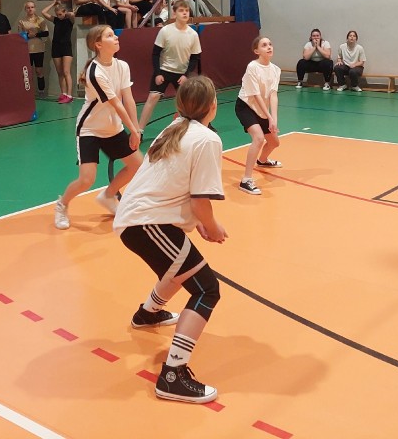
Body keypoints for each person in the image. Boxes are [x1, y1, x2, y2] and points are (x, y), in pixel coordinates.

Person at [112, 75, 225, 404]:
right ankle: (173, 375)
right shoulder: (207, 139)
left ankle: (148, 314)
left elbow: (176, 184)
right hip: (148, 223)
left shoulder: (174, 127)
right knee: (206, 289)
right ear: (213, 106)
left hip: (138, 219)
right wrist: (212, 226)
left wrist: (198, 222)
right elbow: (200, 201)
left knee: (180, 268)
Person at [54, 24, 143, 229]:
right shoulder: (94, 72)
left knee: (137, 165)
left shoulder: (122, 66)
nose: (116, 37)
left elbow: (128, 99)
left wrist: (136, 129)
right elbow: (116, 104)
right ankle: (62, 204)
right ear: (98, 44)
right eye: (110, 36)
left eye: (114, 34)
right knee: (87, 179)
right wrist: (132, 130)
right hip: (90, 130)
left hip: (113, 128)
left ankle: (109, 195)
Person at [138, 0, 202, 133]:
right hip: (164, 71)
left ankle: (201, 126)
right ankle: (139, 131)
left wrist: (186, 75)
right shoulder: (165, 31)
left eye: (187, 11)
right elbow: (155, 54)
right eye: (181, 11)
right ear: (174, 13)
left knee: (189, 101)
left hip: (182, 74)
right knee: (153, 97)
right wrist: (158, 73)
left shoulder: (193, 34)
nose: (185, 13)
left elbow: (195, 58)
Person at [236, 35, 282, 195]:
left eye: (270, 44)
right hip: (246, 106)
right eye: (264, 45)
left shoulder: (276, 70)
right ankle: (246, 180)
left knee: (274, 142)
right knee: (258, 138)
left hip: (262, 110)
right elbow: (255, 95)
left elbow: (273, 95)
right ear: (256, 51)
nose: (269, 47)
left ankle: (262, 160)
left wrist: (274, 119)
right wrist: (268, 117)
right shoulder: (252, 67)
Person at [41, 0, 76, 103]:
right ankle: (63, 93)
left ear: (64, 12)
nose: (59, 16)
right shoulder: (56, 20)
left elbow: (72, 15)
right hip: (56, 46)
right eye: (57, 14)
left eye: (60, 14)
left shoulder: (69, 20)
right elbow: (43, 12)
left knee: (66, 71)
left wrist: (67, 12)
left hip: (66, 47)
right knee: (60, 72)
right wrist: (53, 4)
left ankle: (69, 95)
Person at [18, 0, 49, 96]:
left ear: (35, 8)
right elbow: (20, 36)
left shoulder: (40, 20)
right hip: (27, 50)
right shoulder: (22, 21)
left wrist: (35, 34)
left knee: (39, 70)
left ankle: (41, 91)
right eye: (28, 7)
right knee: (28, 72)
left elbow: (46, 33)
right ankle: (28, 92)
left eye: (32, 7)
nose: (30, 9)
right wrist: (28, 35)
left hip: (38, 49)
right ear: (25, 9)